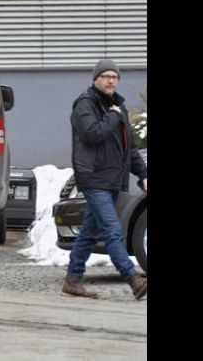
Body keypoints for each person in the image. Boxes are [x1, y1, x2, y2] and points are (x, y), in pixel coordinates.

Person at [62, 59, 148, 299]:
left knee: (90, 233)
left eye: (115, 77)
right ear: (96, 79)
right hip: (93, 177)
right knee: (112, 230)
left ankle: (72, 281)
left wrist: (142, 174)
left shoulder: (117, 107)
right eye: (106, 76)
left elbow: (129, 147)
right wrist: (112, 116)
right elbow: (91, 134)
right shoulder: (85, 104)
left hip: (112, 180)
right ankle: (133, 279)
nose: (111, 80)